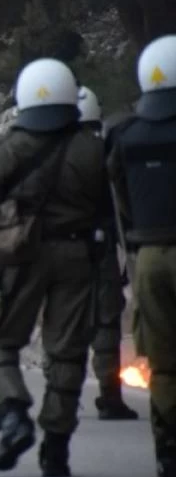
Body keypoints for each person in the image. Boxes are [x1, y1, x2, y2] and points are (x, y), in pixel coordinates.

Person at [0, 58, 107, 477]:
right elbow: (109, 209)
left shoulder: (8, 148)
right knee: (67, 351)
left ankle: (13, 413)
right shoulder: (93, 148)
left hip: (21, 253)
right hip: (77, 256)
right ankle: (56, 448)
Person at [106, 34, 176, 477]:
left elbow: (121, 202)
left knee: (166, 367)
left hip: (148, 257)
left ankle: (168, 466)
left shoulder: (124, 136)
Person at [77, 86, 139, 420]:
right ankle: (109, 394)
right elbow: (120, 203)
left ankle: (61, 390)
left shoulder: (48, 151)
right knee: (105, 321)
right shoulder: (104, 152)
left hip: (61, 250)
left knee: (64, 319)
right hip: (100, 249)